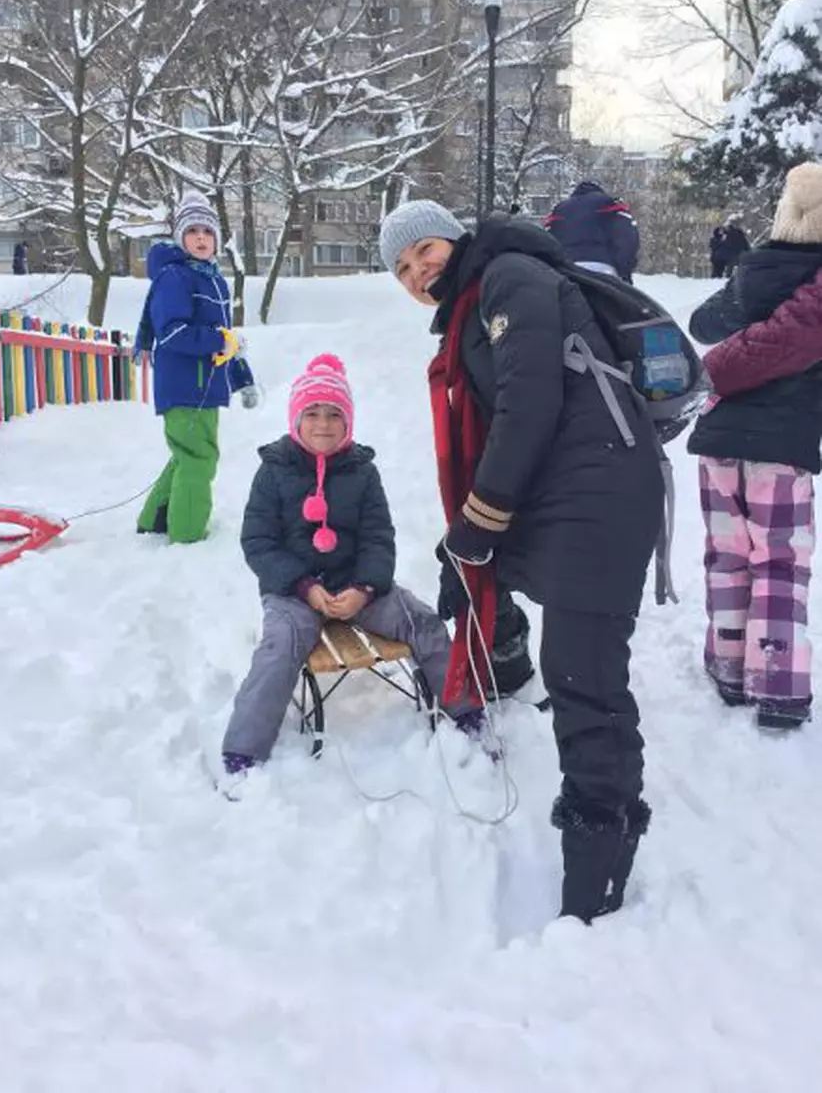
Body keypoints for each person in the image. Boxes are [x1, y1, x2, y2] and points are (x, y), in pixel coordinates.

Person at [379, 200, 663, 924]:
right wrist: (467, 540)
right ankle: (501, 674)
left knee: (586, 682)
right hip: (568, 491)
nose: (419, 272)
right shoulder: (478, 300)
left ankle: (597, 875)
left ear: (456, 237)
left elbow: (529, 399)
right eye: (404, 269)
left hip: (597, 492)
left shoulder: (509, 276)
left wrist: (482, 515)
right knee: (481, 580)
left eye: (425, 251)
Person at [221, 353, 480, 779]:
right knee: (280, 645)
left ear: (349, 421)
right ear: (295, 418)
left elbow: (379, 537)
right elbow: (259, 542)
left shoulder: (362, 471)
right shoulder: (273, 471)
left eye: (334, 414)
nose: (323, 424)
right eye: (313, 413)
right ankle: (243, 754)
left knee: (423, 622)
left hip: (355, 586)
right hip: (293, 589)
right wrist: (303, 586)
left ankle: (467, 712)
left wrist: (364, 586)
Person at [686, 163, 822, 732]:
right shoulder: (814, 280)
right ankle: (780, 685)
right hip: (783, 448)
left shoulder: (753, 269)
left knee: (728, 556)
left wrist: (746, 281)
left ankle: (727, 666)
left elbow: (702, 322)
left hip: (720, 441)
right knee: (781, 563)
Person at [136, 190, 256, 543]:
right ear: (180, 238)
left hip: (205, 387)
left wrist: (240, 379)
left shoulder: (213, 279)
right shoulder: (176, 277)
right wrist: (220, 341)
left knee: (187, 455)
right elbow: (172, 332)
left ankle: (154, 520)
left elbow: (224, 339)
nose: (201, 238)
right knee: (198, 459)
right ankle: (187, 536)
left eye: (207, 231)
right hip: (185, 386)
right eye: (192, 232)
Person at [543, 181, 639, 283]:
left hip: (567, 269)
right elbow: (627, 238)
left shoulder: (559, 209)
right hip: (604, 267)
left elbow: (547, 241)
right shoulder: (610, 203)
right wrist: (625, 271)